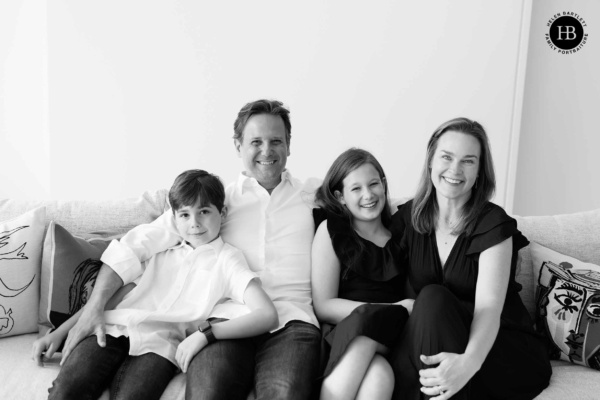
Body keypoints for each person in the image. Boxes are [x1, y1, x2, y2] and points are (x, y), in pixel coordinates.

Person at [61, 99, 322, 400]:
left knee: (286, 393)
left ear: (289, 145)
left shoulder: (313, 197)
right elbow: (133, 249)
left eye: (276, 141)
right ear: (238, 146)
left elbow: (364, 201)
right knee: (207, 393)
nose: (267, 150)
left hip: (293, 320)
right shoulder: (213, 203)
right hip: (226, 321)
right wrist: (91, 310)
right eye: (255, 142)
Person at [48, 169, 278, 400]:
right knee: (65, 392)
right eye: (185, 215)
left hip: (159, 347)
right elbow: (114, 299)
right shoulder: (161, 250)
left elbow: (267, 314)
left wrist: (206, 333)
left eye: (204, 212)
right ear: (174, 217)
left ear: (223, 213)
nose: (194, 223)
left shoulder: (227, 260)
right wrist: (60, 332)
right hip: (111, 329)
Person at [389, 118, 552, 399]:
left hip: (495, 350)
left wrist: (467, 364)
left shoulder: (493, 224)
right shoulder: (408, 218)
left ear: (479, 172)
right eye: (447, 157)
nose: (455, 169)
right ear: (430, 161)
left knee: (431, 299)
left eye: (468, 161)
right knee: (429, 302)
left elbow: (488, 308)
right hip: (432, 345)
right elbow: (372, 265)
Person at [311, 148, 412, 400]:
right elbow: (324, 305)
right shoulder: (331, 230)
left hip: (392, 336)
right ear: (340, 196)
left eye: (373, 184)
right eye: (356, 189)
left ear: (384, 185)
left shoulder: (402, 235)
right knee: (379, 378)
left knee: (380, 366)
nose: (368, 195)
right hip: (346, 330)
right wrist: (388, 309)